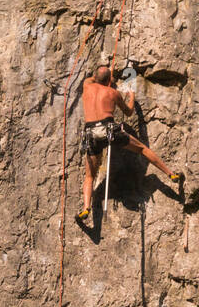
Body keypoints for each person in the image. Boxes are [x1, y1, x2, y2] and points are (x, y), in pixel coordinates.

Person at [76, 65, 181, 222]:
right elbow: (129, 111)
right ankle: (170, 173)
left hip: (91, 133)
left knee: (90, 175)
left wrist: (106, 75)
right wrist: (131, 95)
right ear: (109, 80)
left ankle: (85, 208)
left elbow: (93, 78)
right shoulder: (113, 93)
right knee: (142, 149)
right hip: (108, 130)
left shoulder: (87, 85)